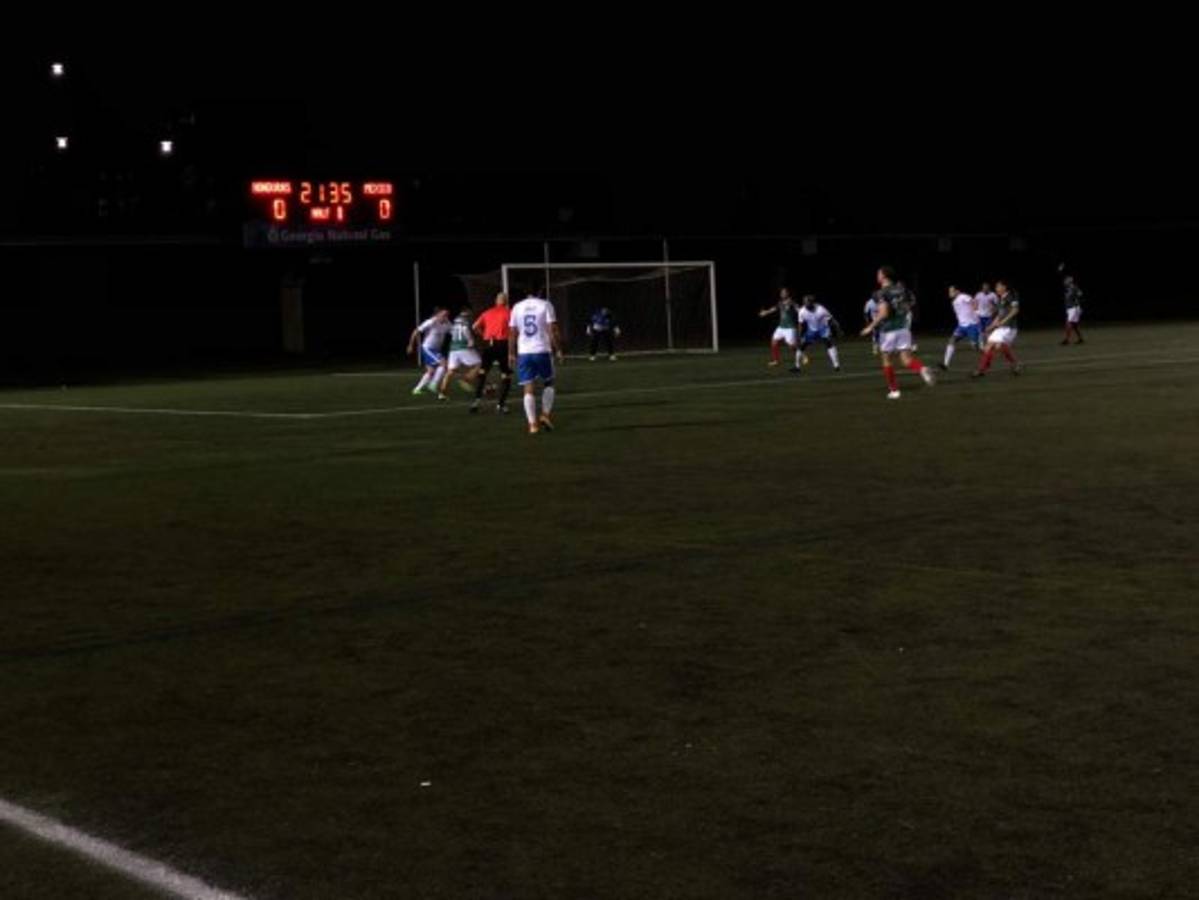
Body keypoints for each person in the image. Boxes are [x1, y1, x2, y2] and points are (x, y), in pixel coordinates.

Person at [860, 266, 936, 400]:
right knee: (906, 360)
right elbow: (909, 305)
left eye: (878, 273)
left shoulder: (880, 293)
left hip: (888, 331)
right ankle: (922, 369)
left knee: (886, 359)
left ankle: (894, 390)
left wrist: (870, 327)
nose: (877, 275)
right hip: (903, 328)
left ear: (884, 276)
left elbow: (884, 313)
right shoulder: (902, 289)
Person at [508, 288, 564, 435]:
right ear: (540, 293)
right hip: (542, 350)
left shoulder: (517, 307)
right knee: (549, 383)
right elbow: (553, 330)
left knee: (528, 388)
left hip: (524, 352)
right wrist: (558, 349)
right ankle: (545, 415)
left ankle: (532, 425)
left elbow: (512, 333)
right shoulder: (545, 304)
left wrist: (511, 353)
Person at [471, 292, 514, 413]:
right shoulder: (509, 313)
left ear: (496, 301)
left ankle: (476, 402)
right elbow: (512, 332)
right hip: (502, 344)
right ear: (506, 302)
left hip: (488, 344)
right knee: (506, 375)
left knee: (483, 372)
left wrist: (484, 334)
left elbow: (474, 326)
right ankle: (500, 405)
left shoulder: (487, 312)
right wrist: (512, 352)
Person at [973, 279, 1022, 377]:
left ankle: (981, 370)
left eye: (998, 286)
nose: (996, 288)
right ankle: (1015, 365)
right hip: (1001, 328)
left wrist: (1003, 322)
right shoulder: (1001, 299)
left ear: (1004, 287)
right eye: (996, 287)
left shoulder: (1011, 296)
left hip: (1010, 328)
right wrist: (991, 327)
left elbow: (1015, 310)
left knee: (994, 346)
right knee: (991, 347)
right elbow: (999, 316)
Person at [407, 307, 451, 399]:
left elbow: (454, 333)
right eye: (443, 315)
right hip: (428, 348)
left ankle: (417, 389)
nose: (445, 317)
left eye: (447, 315)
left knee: (430, 371)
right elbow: (416, 331)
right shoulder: (431, 322)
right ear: (437, 315)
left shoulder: (447, 323)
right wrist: (411, 345)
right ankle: (433, 385)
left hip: (436, 350)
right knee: (444, 364)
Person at [758, 288, 804, 371]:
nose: (782, 294)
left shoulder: (791, 302)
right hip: (781, 327)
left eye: (784, 293)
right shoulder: (780, 302)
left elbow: (799, 309)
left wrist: (801, 312)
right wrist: (765, 312)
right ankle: (776, 361)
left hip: (790, 327)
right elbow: (774, 309)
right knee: (774, 341)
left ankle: (802, 356)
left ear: (788, 294)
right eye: (781, 293)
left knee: (791, 346)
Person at [940, 286, 981, 371]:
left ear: (957, 291)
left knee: (975, 346)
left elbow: (974, 301)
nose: (950, 293)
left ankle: (985, 356)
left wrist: (975, 309)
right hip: (961, 326)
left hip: (972, 325)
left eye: (951, 291)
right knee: (951, 340)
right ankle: (945, 365)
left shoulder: (963, 296)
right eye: (949, 292)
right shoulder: (954, 302)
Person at [797, 295, 842, 371]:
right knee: (802, 345)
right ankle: (797, 366)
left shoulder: (821, 309)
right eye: (804, 302)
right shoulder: (802, 311)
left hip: (823, 328)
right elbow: (800, 324)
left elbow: (831, 319)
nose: (805, 304)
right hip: (812, 330)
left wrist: (838, 329)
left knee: (829, 343)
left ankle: (836, 365)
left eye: (807, 302)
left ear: (811, 302)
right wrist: (800, 335)